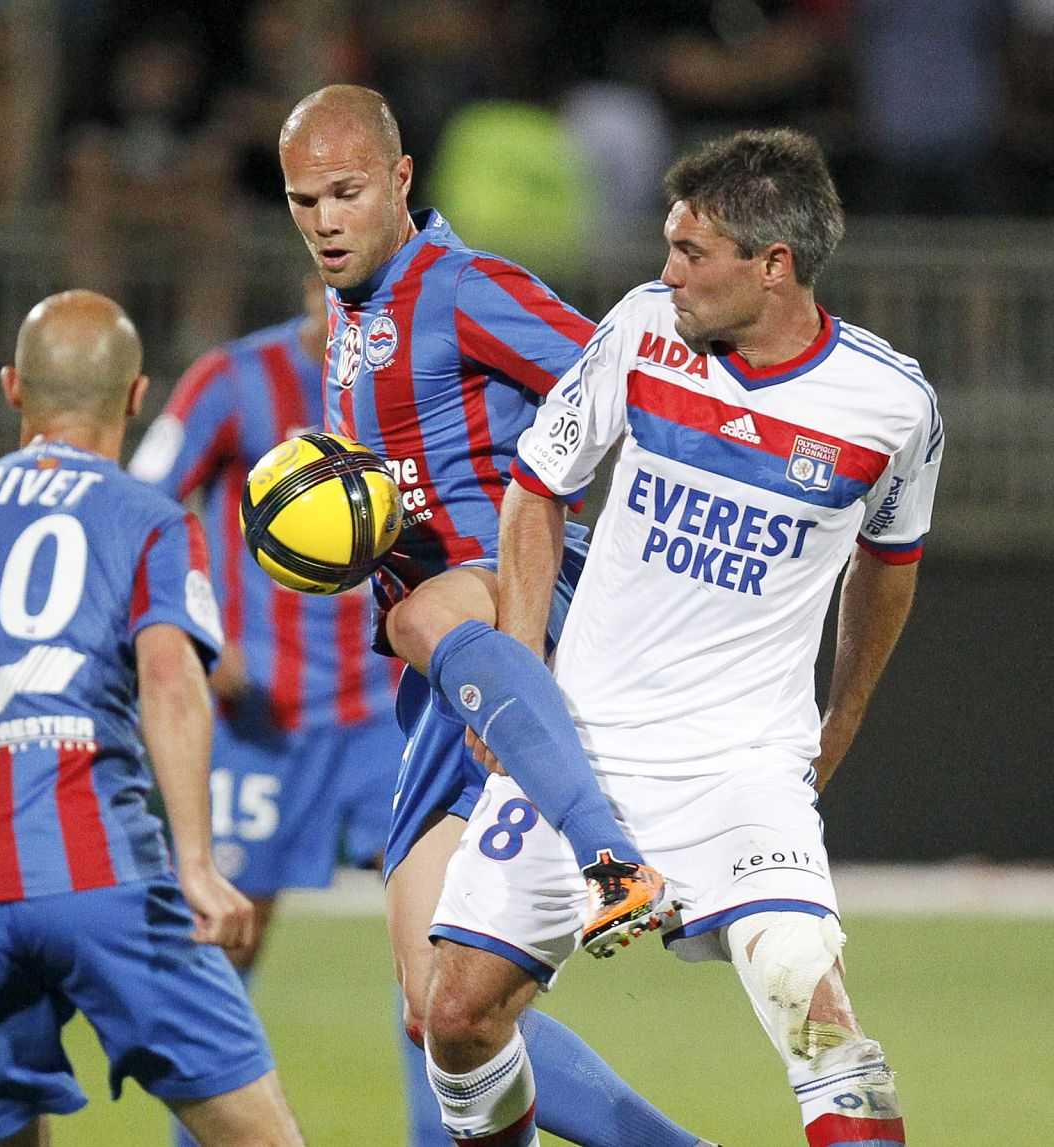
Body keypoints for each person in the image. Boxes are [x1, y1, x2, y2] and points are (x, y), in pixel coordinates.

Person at [432, 128, 937, 1146]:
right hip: (580, 742)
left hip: (741, 765)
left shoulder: (893, 408)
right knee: (452, 1017)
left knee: (820, 1023)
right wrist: (525, 674)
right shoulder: (639, 331)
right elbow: (538, 493)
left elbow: (887, 573)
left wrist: (835, 727)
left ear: (773, 265)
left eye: (690, 253)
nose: (666, 273)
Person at [279, 85, 714, 1147]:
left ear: (398, 180)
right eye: (303, 200)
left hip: (517, 602)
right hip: (437, 680)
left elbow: (619, 380)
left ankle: (611, 854)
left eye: (344, 193)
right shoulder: (349, 313)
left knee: (424, 605)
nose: (325, 219)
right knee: (438, 1012)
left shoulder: (462, 288)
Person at [0, 289, 305, 1147]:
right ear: (139, 396)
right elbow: (172, 681)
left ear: (11, 387)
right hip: (101, 881)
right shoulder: (148, 519)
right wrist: (196, 861)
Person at [128, 276, 445, 1146]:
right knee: (227, 946)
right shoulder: (231, 380)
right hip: (262, 717)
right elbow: (140, 505)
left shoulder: (417, 381)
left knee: (437, 948)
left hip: (392, 710)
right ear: (312, 281)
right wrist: (197, 627)